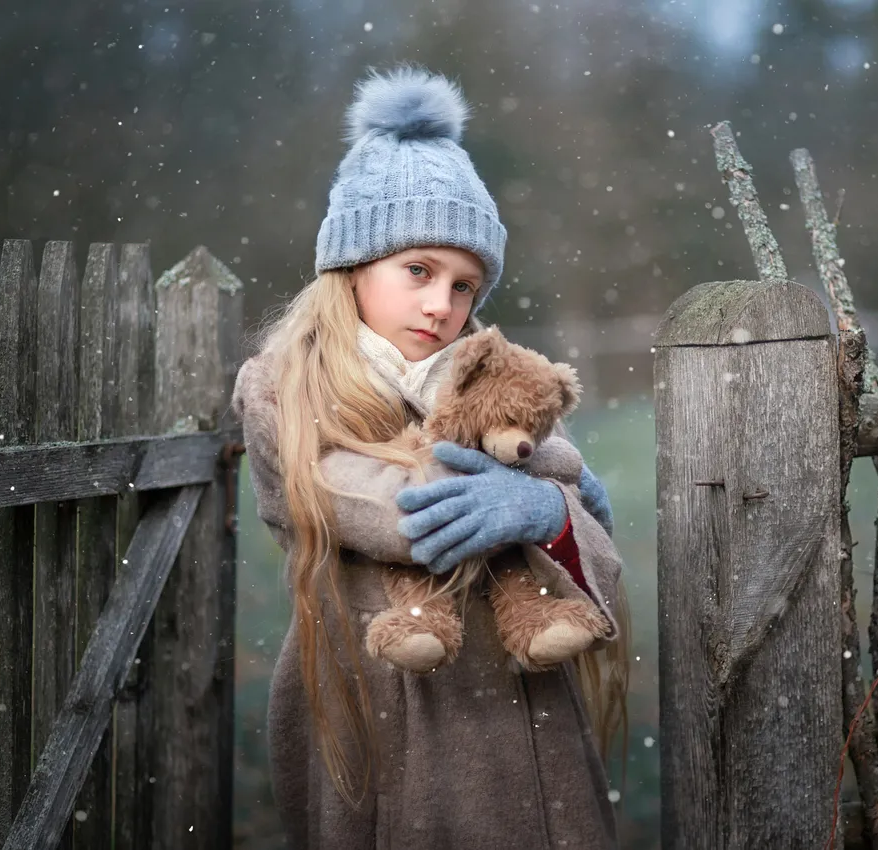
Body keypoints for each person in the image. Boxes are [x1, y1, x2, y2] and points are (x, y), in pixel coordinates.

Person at [231, 65, 630, 849]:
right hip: (380, 699)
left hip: (526, 715)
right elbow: (392, 514)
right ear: (353, 266)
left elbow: (595, 537)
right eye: (418, 270)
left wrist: (550, 513)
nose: (441, 305)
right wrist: (545, 477)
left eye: (464, 285)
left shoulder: (490, 379)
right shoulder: (285, 388)